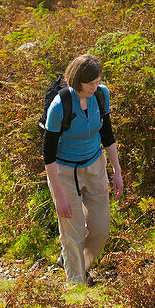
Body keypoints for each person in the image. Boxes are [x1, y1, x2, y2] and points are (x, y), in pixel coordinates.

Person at [43, 54, 125, 285]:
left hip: (95, 165)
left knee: (101, 229)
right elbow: (48, 155)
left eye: (97, 82)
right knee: (73, 233)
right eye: (90, 84)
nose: (95, 87)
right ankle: (77, 286)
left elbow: (107, 135)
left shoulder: (101, 95)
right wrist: (59, 195)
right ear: (76, 81)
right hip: (64, 173)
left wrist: (116, 171)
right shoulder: (59, 106)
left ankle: (71, 262)